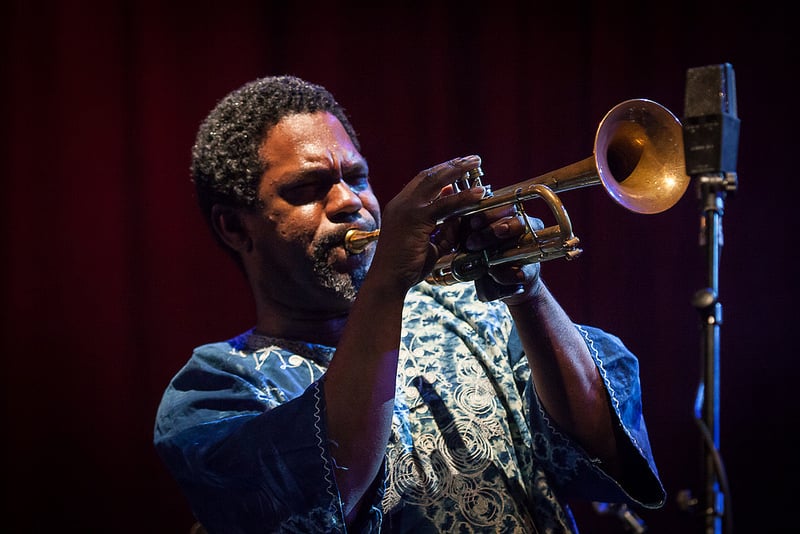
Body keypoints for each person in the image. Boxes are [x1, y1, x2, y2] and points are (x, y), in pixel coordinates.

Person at [154, 75, 666, 533]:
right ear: (234, 226)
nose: (349, 202)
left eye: (355, 177)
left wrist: (528, 291)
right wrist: (387, 283)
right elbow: (325, 497)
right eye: (308, 189)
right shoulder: (213, 390)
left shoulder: (470, 310)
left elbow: (608, 449)